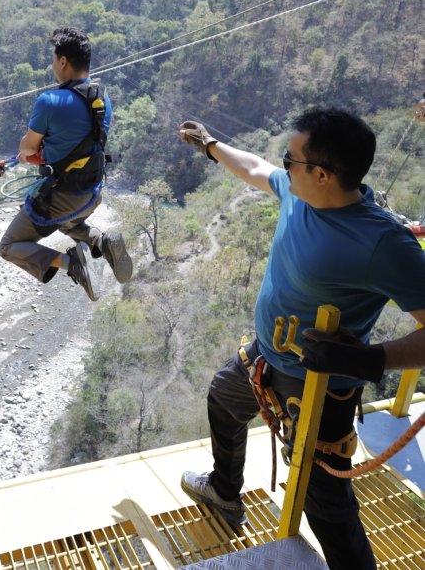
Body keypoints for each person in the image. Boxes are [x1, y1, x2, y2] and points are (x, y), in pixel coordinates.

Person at [177, 108, 425, 570]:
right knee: (223, 399)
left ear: (324, 174)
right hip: (265, 358)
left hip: (318, 388)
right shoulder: (299, 192)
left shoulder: (383, 243)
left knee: (327, 507)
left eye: (291, 159)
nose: (283, 165)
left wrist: (370, 359)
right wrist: (211, 145)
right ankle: (225, 494)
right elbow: (254, 167)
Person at [0, 27, 132, 300]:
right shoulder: (102, 100)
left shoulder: (50, 101)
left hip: (61, 196)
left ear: (62, 61)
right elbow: (73, 144)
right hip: (90, 193)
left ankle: (74, 265)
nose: (52, 64)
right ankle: (100, 240)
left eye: (53, 58)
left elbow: (28, 147)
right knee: (66, 221)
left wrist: (27, 153)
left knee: (9, 245)